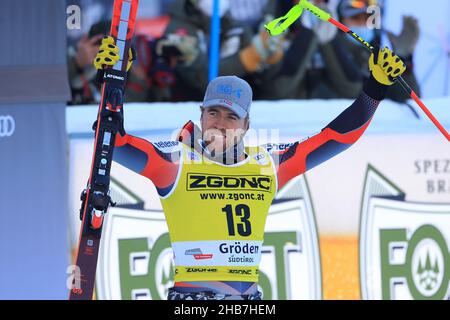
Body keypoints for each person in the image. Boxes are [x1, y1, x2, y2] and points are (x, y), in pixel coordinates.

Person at [93, 36, 406, 299]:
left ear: (245, 125)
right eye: (213, 113)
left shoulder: (267, 163)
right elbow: (113, 142)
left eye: (231, 117)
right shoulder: (174, 162)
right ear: (201, 115)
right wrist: (110, 81)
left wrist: (375, 88)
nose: (220, 123)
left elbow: (336, 139)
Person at [161, 0, 285, 101]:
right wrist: (247, 59)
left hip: (234, 111)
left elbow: (269, 87)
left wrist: (270, 59)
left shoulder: (237, 27)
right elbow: (202, 81)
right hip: (189, 112)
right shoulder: (178, 30)